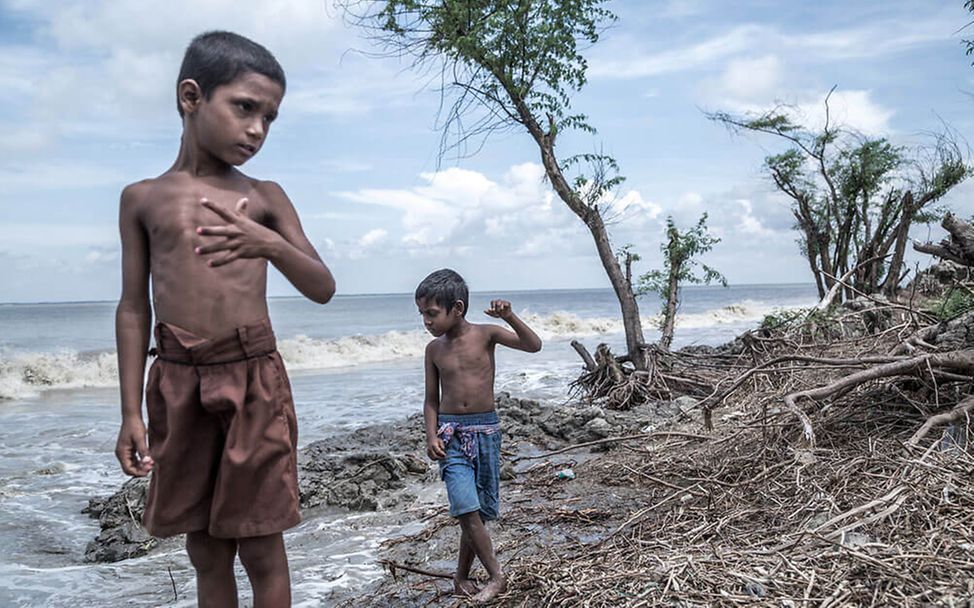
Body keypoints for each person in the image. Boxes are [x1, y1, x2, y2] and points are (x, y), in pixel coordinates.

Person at [113, 31, 335, 608]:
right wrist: (129, 412)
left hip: (252, 381)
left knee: (261, 547)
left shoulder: (264, 196)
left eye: (269, 118)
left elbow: (322, 287)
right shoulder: (143, 198)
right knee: (206, 550)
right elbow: (134, 307)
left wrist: (269, 244)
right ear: (191, 96)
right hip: (178, 382)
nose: (257, 129)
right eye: (244, 107)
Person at [415, 269, 542, 602]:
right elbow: (431, 399)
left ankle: (461, 577)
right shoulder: (433, 350)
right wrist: (431, 436)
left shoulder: (487, 334)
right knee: (465, 508)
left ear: (457, 308)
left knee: (477, 511)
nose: (426, 321)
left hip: (486, 431)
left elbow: (533, 345)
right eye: (422, 315)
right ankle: (497, 577)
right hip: (451, 435)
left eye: (431, 313)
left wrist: (510, 316)